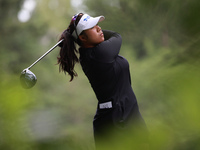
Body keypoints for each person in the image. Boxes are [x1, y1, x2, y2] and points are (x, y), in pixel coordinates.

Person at [57, 13, 148, 150]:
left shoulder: (89, 54)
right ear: (82, 37)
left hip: (120, 115)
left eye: (97, 25)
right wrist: (73, 34)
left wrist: (75, 34)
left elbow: (102, 37)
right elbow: (117, 36)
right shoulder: (100, 53)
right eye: (93, 27)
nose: (99, 29)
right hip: (118, 120)